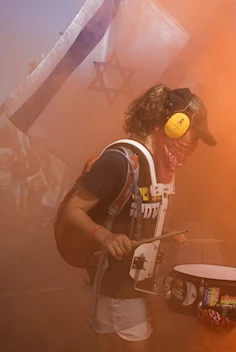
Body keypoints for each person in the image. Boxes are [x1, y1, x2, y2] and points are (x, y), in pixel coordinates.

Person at [58, 84, 216, 352]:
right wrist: (105, 236)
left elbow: (138, 212)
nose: (196, 143)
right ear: (174, 125)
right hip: (113, 287)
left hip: (137, 285)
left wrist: (166, 231)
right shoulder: (120, 161)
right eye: (195, 134)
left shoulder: (163, 165)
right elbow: (72, 210)